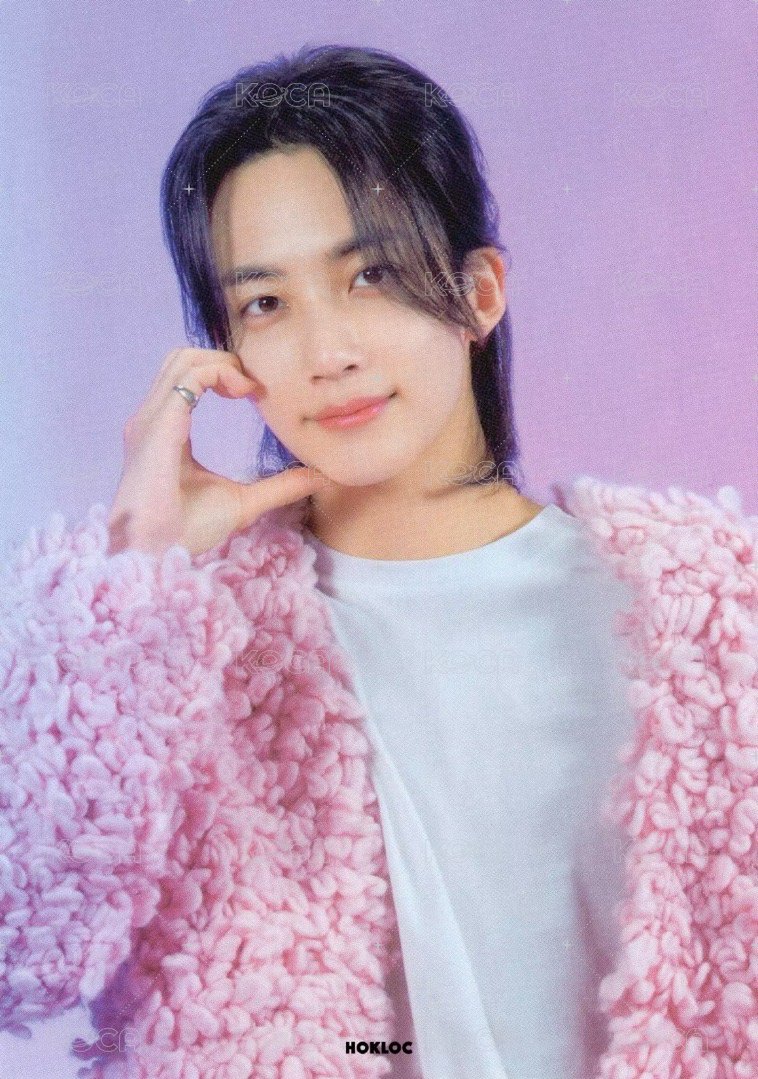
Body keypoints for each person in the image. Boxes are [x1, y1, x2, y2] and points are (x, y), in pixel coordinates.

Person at [0, 43, 755, 1079]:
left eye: (371, 276)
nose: (328, 351)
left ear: (478, 292)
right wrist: (132, 573)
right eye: (265, 303)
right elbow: (22, 954)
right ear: (223, 352)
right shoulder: (173, 648)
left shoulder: (706, 608)